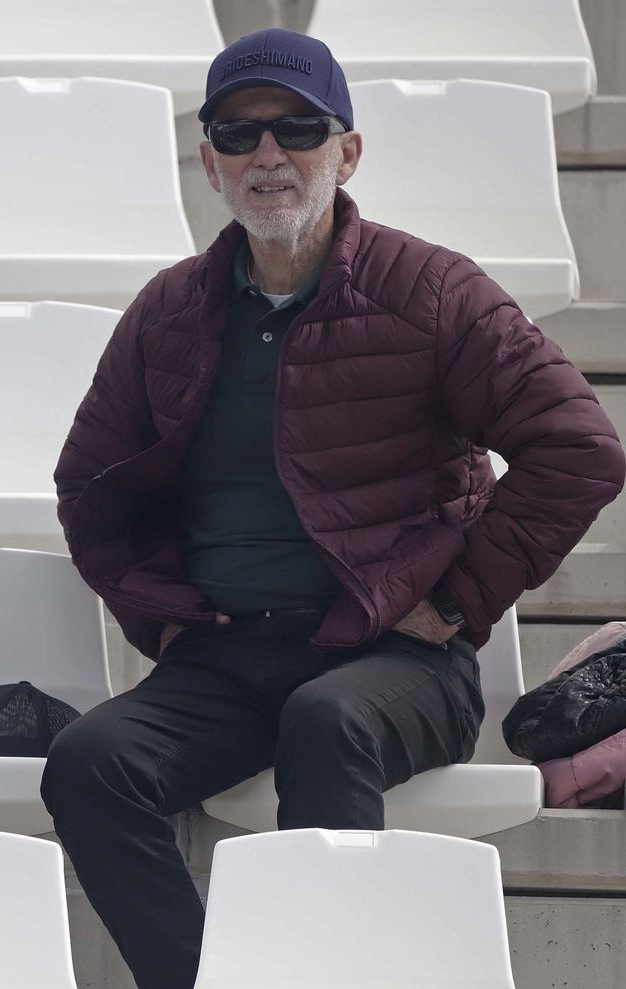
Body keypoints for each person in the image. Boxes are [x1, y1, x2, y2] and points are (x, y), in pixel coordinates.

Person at [40, 28, 625, 989]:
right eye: (240, 134)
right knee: (88, 763)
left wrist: (457, 603)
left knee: (327, 721)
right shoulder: (170, 309)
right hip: (224, 653)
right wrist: (161, 616)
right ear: (209, 162)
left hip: (395, 657)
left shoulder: (431, 292)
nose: (268, 156)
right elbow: (90, 485)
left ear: (345, 152)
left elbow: (582, 447)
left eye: (297, 129)